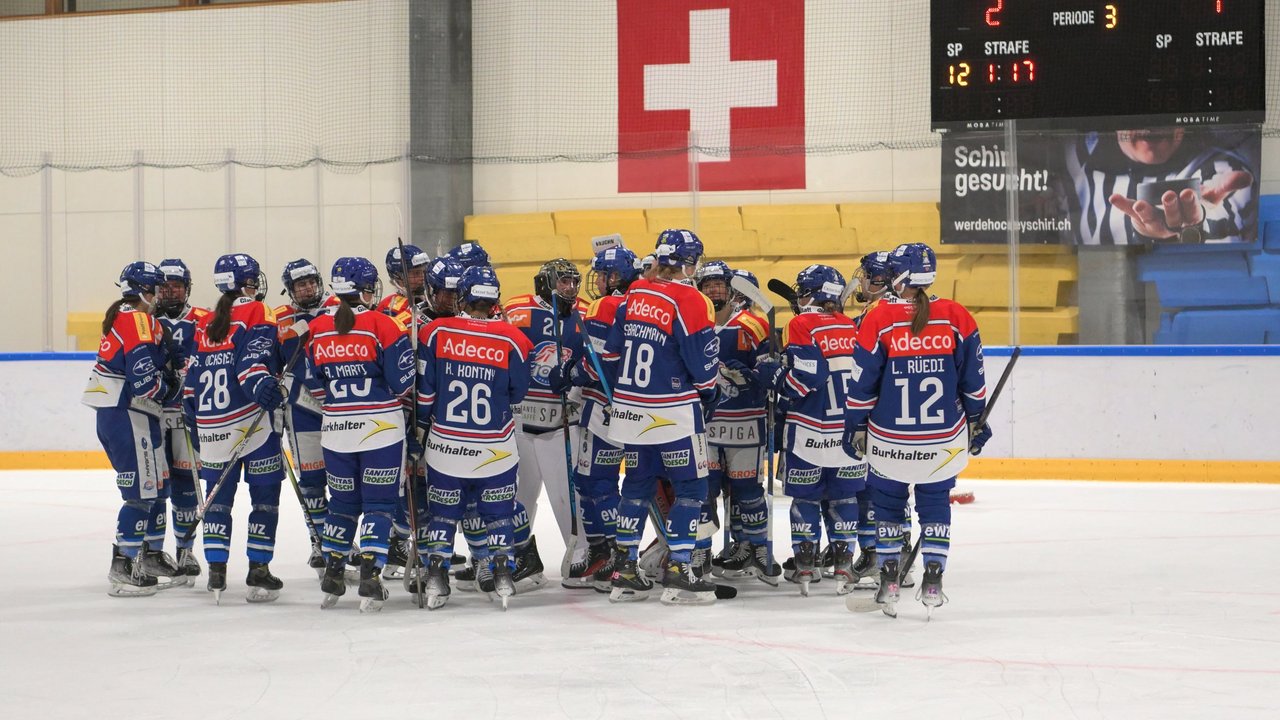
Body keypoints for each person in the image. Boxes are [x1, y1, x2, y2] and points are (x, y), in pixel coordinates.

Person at [844, 242, 991, 617]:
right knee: (935, 504)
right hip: (943, 440)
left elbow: (862, 384)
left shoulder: (878, 318)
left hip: (891, 441)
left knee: (888, 506)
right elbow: (973, 383)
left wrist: (854, 424)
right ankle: (933, 577)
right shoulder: (957, 316)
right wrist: (977, 420)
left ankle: (890, 576)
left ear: (898, 276)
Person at [600, 229, 721, 605]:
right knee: (691, 490)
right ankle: (679, 569)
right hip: (672, 413)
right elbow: (702, 367)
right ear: (689, 264)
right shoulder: (691, 299)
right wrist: (710, 391)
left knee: (636, 485)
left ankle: (624, 569)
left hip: (629, 410)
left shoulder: (634, 292)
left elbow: (610, 354)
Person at [415, 265, 534, 610]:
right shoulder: (513, 338)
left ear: (463, 298)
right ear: (494, 299)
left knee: (443, 515)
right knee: (498, 515)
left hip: (445, 445)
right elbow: (517, 393)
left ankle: (436, 576)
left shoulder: (436, 332)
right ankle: (502, 574)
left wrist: (419, 429)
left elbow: (425, 393)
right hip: (494, 448)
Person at [308, 257, 416, 612]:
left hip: (336, 430)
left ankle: (335, 572)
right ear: (366, 290)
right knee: (379, 504)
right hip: (380, 430)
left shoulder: (318, 328)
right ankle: (370, 573)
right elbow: (403, 383)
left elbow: (315, 385)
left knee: (342, 505)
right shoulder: (382, 324)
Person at [753, 265, 864, 596]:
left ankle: (805, 565)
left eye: (803, 291)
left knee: (806, 499)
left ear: (814, 295)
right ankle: (844, 563)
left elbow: (805, 381)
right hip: (848, 434)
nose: (798, 297)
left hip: (809, 434)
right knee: (844, 497)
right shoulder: (853, 326)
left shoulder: (801, 324)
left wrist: (772, 375)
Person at [184, 253, 287, 603]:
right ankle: (258, 571)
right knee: (265, 501)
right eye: (254, 280)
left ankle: (216, 573)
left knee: (217, 504)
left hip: (212, 430)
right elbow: (252, 363)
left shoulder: (205, 321)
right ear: (246, 284)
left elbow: (191, 382)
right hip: (253, 426)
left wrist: (195, 420)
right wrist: (263, 386)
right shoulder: (257, 310)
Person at [82, 262, 183, 597]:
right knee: (142, 491)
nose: (158, 296)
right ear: (143, 291)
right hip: (128, 413)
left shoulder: (129, 318)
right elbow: (141, 375)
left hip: (130, 414)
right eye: (155, 289)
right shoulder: (135, 318)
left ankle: (150, 555)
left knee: (157, 486)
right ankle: (124, 563)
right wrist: (169, 388)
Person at [555, 245, 640, 590]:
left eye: (604, 274)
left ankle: (611, 556)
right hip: (638, 409)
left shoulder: (607, 304)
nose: (599, 281)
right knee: (625, 485)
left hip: (605, 407)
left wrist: (571, 372)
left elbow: (598, 360)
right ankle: (613, 552)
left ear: (616, 277)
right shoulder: (644, 301)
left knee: (594, 482)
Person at [503, 258, 588, 587]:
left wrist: (575, 382)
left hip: (561, 421)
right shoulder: (517, 310)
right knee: (517, 496)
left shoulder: (583, 314)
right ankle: (520, 557)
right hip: (520, 420)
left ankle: (581, 553)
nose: (570, 288)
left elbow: (588, 364)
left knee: (566, 496)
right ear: (545, 282)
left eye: (573, 281)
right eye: (563, 281)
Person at [695, 262, 778, 584]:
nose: (714, 290)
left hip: (745, 422)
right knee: (705, 491)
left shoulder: (753, 323)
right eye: (708, 284)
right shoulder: (693, 322)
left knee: (747, 491)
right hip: (706, 425)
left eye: (720, 284)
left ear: (732, 288)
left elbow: (768, 374)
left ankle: (757, 548)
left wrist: (752, 376)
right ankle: (701, 550)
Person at [1065, 127, 1257, 244]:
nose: (1152, 124)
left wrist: (1192, 224)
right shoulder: (1078, 153)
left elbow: (1218, 217)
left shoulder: (1223, 169)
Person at [275, 259, 340, 575]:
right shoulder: (280, 320)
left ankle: (341, 541)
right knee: (313, 481)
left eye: (311, 282)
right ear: (290, 290)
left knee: (346, 482)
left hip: (345, 409)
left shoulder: (341, 309)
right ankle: (320, 540)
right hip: (303, 412)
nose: (307, 288)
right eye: (300, 285)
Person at [152, 259, 210, 583]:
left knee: (187, 483)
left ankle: (185, 549)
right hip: (155, 415)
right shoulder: (147, 321)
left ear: (187, 288)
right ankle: (153, 553)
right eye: (165, 286)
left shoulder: (203, 320)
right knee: (158, 486)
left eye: (176, 285)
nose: (170, 291)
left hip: (188, 413)